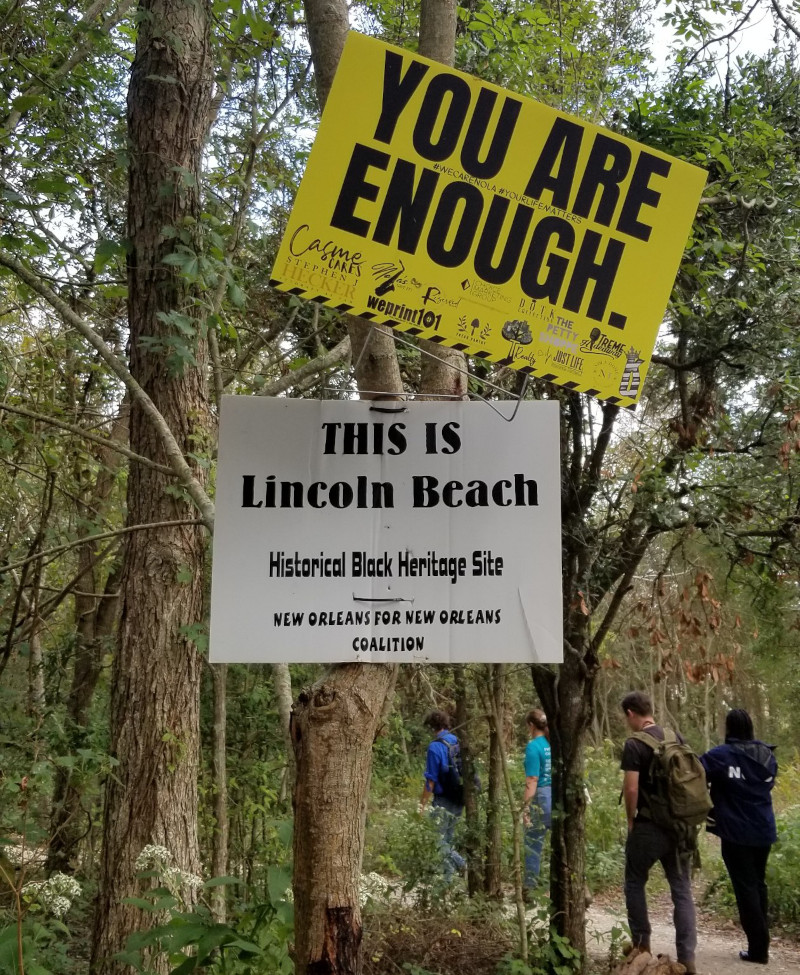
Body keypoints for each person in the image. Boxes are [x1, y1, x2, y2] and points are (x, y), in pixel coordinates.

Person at [620, 691, 697, 973]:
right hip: (679, 828)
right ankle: (687, 957)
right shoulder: (675, 737)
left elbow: (631, 788)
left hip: (649, 827)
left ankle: (642, 948)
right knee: (681, 889)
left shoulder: (634, 744)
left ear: (630, 713)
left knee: (634, 881)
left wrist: (631, 820)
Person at [700, 709, 778, 965]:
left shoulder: (721, 756)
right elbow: (768, 783)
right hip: (763, 829)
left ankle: (759, 949)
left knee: (746, 889)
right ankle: (761, 940)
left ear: (729, 728)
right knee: (758, 884)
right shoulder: (767, 754)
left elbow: (694, 772)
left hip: (736, 833)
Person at [419, 709, 466, 882]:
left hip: (443, 799)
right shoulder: (457, 741)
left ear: (432, 726)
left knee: (439, 841)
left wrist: (422, 804)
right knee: (448, 839)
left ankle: (461, 864)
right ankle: (448, 882)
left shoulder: (434, 747)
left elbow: (430, 780)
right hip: (460, 797)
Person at [522, 708, 552, 895]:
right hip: (555, 795)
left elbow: (532, 780)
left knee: (533, 842)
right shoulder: (552, 743)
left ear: (531, 725)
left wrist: (524, 808)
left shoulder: (534, 747)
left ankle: (529, 889)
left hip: (540, 796)